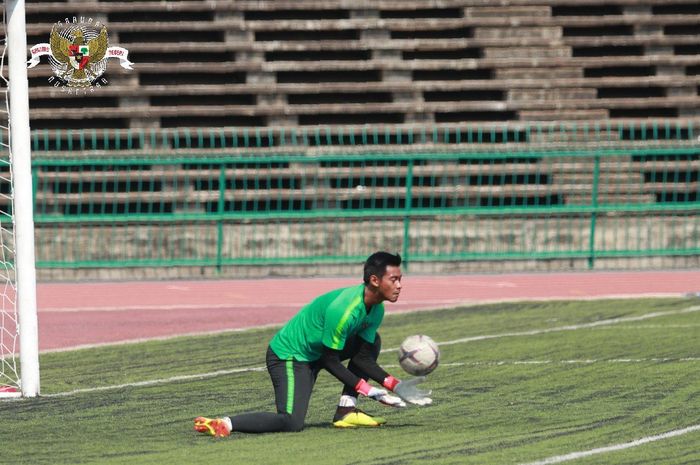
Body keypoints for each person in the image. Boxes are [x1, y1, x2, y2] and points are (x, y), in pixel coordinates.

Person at [194, 251, 432, 438]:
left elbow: (361, 357)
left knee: (372, 342)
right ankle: (224, 423)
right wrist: (370, 391)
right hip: (290, 356)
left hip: (318, 352)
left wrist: (395, 384)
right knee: (291, 422)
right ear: (374, 280)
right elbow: (330, 360)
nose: (400, 285)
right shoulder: (345, 310)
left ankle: (346, 411)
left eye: (400, 279)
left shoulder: (376, 309)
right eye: (394, 279)